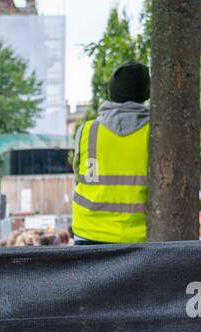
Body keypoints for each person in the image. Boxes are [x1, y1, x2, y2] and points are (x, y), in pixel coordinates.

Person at [72, 62, 150, 245]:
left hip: (88, 232)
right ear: (146, 93)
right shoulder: (156, 132)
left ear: (112, 92)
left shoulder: (87, 131)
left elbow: (78, 177)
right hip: (139, 235)